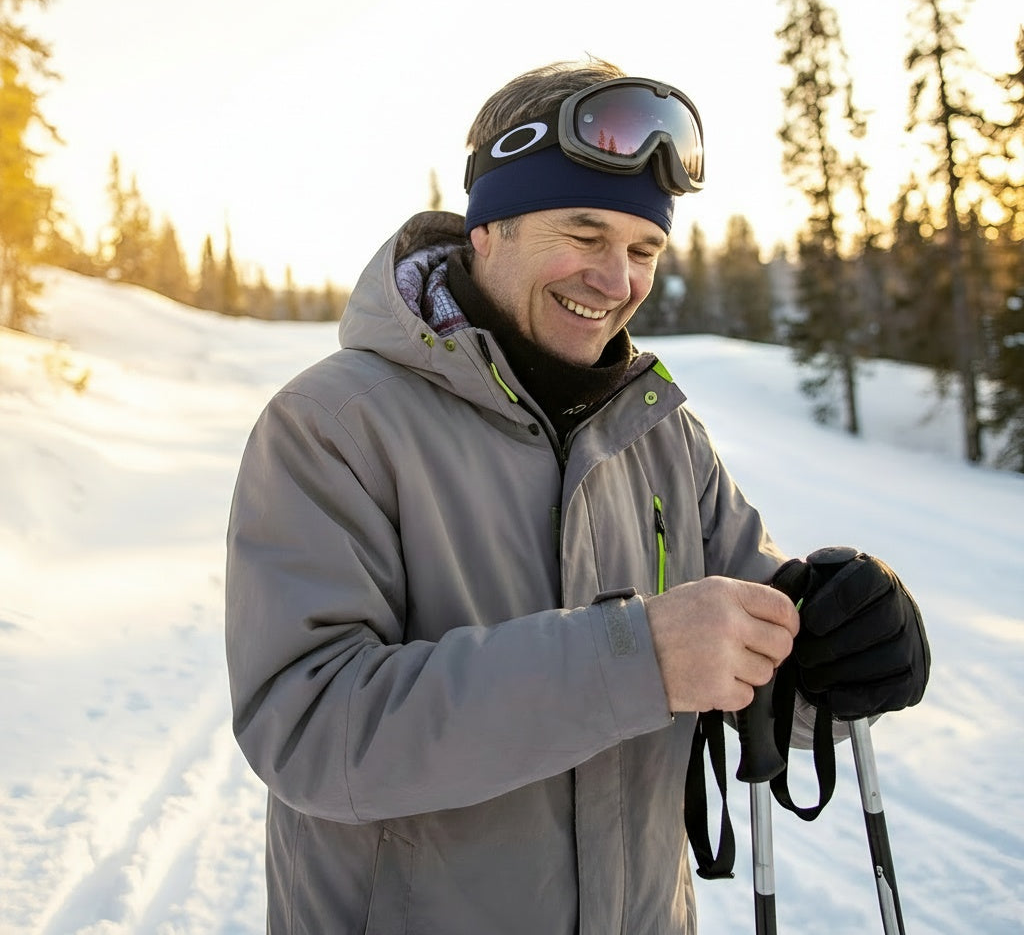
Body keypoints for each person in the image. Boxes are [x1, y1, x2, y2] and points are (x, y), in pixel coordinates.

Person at [225, 58, 929, 934]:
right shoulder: (334, 424)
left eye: (643, 250)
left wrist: (840, 644)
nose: (615, 281)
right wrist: (635, 660)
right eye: (584, 234)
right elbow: (313, 731)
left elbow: (752, 655)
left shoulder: (660, 433)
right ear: (488, 230)